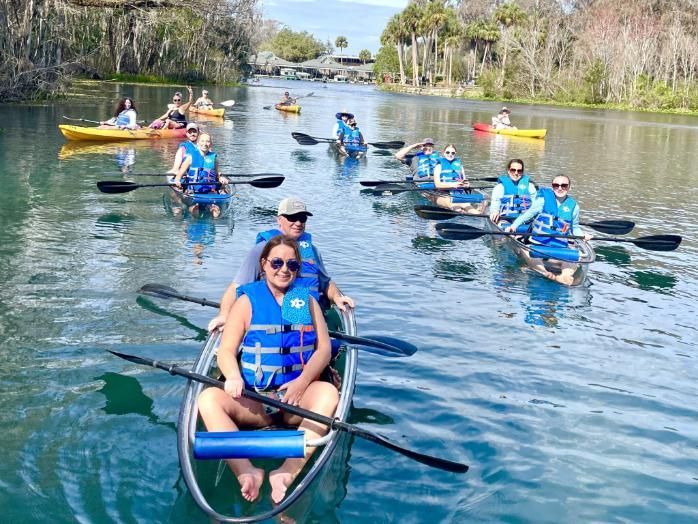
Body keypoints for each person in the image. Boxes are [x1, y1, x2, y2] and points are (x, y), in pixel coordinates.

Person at [197, 235, 339, 504]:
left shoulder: (301, 302)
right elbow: (226, 351)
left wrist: (302, 381)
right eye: (277, 262)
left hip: (295, 402)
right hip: (257, 402)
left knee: (328, 394)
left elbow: (322, 349)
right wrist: (234, 376)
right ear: (263, 264)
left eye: (292, 265)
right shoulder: (248, 302)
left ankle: (287, 471)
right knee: (208, 399)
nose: (284, 269)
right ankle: (246, 470)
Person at [207, 197, 355, 332]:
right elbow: (236, 286)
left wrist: (337, 297)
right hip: (268, 320)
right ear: (279, 220)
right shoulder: (262, 249)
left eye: (302, 218)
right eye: (292, 217)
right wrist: (224, 315)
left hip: (307, 320)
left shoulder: (312, 251)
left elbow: (326, 283)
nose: (298, 223)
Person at [506, 175, 593, 285]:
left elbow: (574, 228)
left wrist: (583, 235)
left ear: (569, 187)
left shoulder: (574, 207)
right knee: (527, 251)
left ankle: (564, 276)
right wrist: (513, 226)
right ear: (552, 187)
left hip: (559, 246)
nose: (560, 188)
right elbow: (527, 215)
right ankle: (544, 272)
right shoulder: (542, 201)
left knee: (573, 259)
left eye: (564, 185)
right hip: (536, 243)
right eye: (556, 185)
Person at [173, 132, 229, 218]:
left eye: (207, 141)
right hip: (193, 193)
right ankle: (195, 217)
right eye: (202, 141)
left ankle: (212, 224)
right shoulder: (190, 158)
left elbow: (217, 176)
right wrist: (177, 181)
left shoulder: (214, 159)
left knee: (216, 210)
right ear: (198, 143)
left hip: (209, 192)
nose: (205, 144)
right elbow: (179, 175)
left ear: (211, 144)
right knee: (194, 209)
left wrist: (221, 179)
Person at [432, 144, 483, 214]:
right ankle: (460, 211)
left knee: (470, 208)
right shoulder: (438, 166)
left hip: (458, 194)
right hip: (443, 194)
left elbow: (464, 181)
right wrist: (454, 184)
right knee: (457, 208)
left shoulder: (460, 167)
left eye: (452, 153)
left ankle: (479, 215)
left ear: (455, 153)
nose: (450, 154)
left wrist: (466, 184)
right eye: (448, 152)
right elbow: (437, 185)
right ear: (444, 153)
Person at [489, 159, 538, 225]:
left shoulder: (530, 186)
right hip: (506, 219)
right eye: (513, 170)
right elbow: (495, 202)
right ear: (508, 171)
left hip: (526, 220)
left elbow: (536, 204)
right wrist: (495, 211)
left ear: (522, 172)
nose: (516, 173)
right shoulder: (500, 187)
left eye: (519, 171)